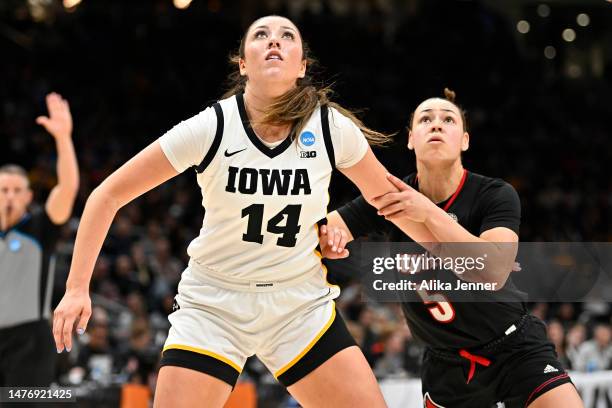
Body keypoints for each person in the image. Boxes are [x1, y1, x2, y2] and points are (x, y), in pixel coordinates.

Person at [51, 15, 420, 407]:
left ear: (302, 67)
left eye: (286, 36)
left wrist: (469, 260)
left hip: (297, 304)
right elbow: (106, 195)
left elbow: (390, 199)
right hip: (214, 303)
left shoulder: (331, 129)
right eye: (260, 35)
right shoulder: (211, 127)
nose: (273, 41)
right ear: (243, 64)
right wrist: (76, 287)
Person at [320, 89, 584, 407]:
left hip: (515, 347)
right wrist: (330, 238)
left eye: (448, 119)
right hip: (446, 367)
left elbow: (494, 270)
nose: (436, 125)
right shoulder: (391, 196)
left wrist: (428, 212)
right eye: (425, 119)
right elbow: (325, 229)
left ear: (465, 140)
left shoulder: (494, 194)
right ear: (410, 139)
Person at [0, 92, 79, 388]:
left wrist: (63, 137)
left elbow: (68, 188)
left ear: (28, 196)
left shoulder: (39, 227)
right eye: (3, 189)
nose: (9, 196)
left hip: (29, 340)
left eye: (16, 190)